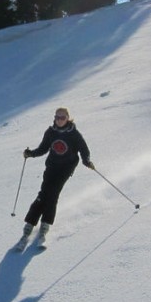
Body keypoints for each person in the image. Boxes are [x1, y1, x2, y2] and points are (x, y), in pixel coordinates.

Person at [16, 107, 94, 250]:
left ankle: (44, 229)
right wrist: (31, 153)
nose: (59, 120)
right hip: (52, 166)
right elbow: (43, 149)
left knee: (52, 194)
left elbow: (84, 149)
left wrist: (86, 160)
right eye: (57, 117)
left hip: (66, 168)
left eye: (62, 117)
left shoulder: (74, 134)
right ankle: (28, 227)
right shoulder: (50, 132)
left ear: (68, 118)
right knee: (43, 194)